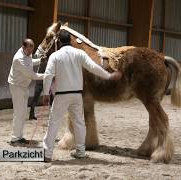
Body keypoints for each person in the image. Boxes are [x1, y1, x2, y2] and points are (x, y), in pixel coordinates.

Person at [42, 30, 122, 162]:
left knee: (53, 123)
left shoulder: (55, 56)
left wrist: (46, 93)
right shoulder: (80, 54)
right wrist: (108, 76)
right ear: (70, 41)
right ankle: (80, 151)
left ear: (59, 41)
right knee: (79, 123)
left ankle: (47, 154)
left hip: (61, 95)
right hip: (77, 95)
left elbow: (48, 75)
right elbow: (93, 67)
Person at [8, 38, 44, 146]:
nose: (30, 52)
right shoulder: (19, 59)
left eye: (32, 50)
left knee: (23, 113)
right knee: (19, 113)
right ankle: (14, 139)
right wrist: (48, 76)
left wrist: (40, 61)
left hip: (23, 86)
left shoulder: (26, 54)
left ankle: (19, 136)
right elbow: (32, 75)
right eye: (29, 50)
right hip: (17, 86)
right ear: (23, 47)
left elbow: (30, 61)